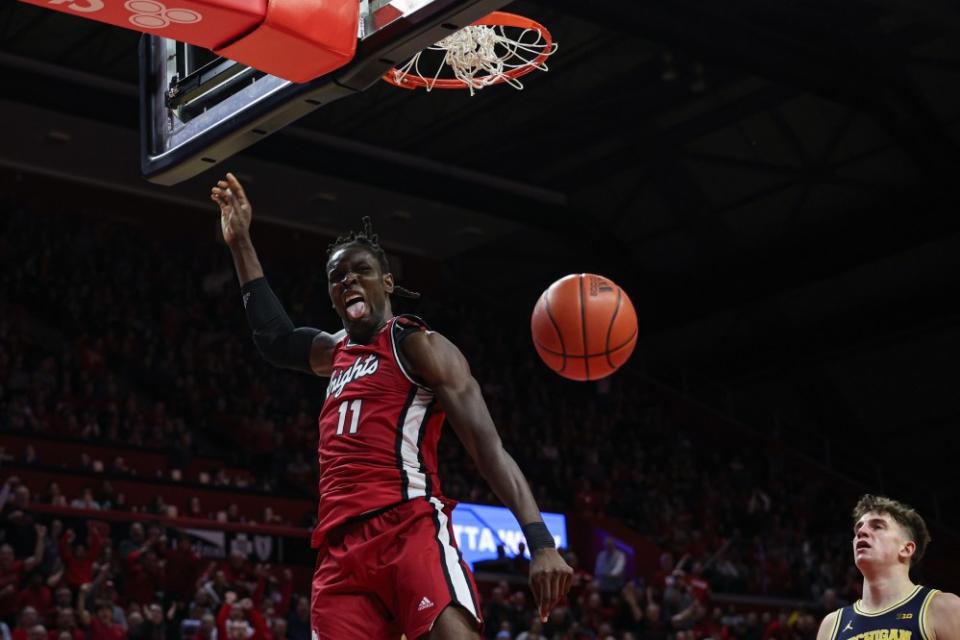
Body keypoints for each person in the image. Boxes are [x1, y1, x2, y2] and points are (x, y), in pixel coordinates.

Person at [211, 173, 573, 640]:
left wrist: (540, 542)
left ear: (386, 281)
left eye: (359, 270)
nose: (347, 281)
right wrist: (240, 242)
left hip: (408, 528)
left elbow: (487, 448)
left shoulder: (418, 346)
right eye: (336, 277)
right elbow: (274, 339)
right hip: (339, 552)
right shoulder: (333, 351)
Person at [815, 495, 960, 640]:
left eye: (877, 526)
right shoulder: (831, 626)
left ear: (906, 549)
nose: (861, 532)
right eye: (858, 528)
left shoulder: (943, 608)